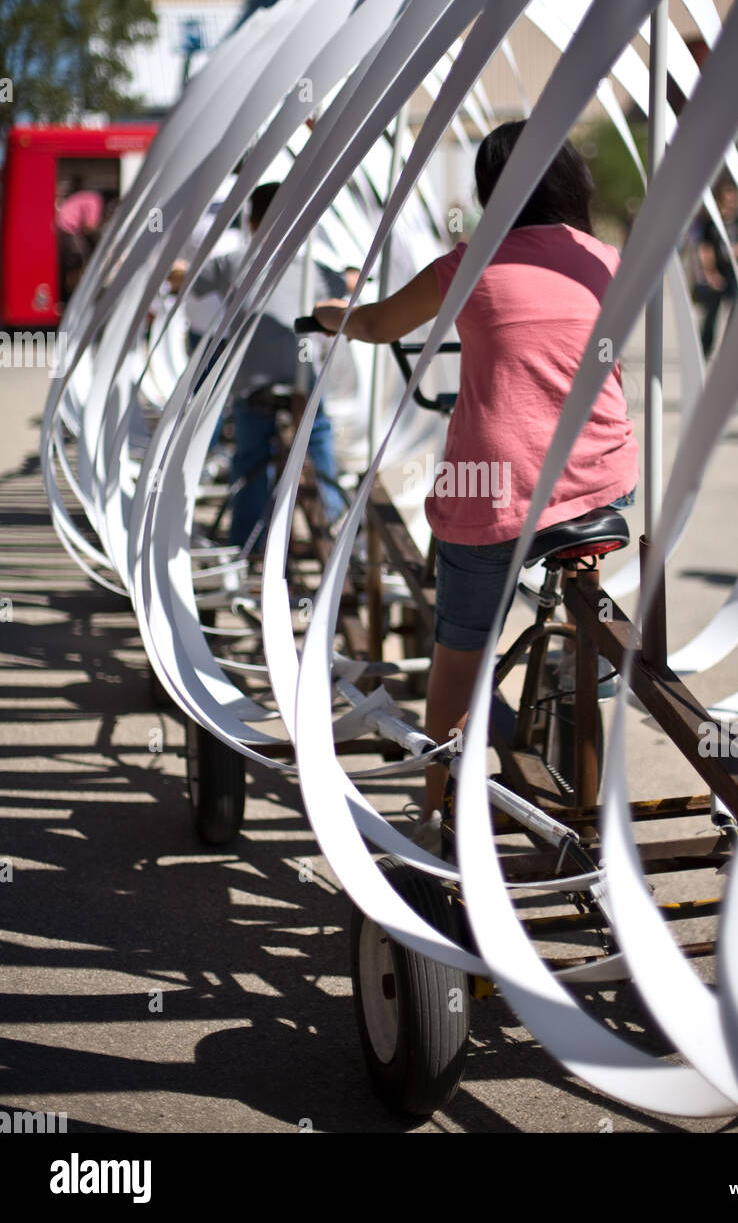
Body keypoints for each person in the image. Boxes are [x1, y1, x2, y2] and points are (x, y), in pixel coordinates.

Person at [313, 122, 639, 852]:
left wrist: (336, 316)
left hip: (494, 486)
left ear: (491, 190)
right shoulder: (609, 261)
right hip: (600, 482)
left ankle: (440, 814)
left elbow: (372, 323)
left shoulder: (469, 264)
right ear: (572, 185)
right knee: (580, 589)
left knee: (460, 657)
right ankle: (575, 655)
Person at [190, 182, 346, 548]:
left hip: (252, 381)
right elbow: (340, 286)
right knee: (318, 434)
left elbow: (194, 287)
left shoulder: (232, 262)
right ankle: (336, 521)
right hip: (301, 377)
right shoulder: (312, 268)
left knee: (249, 454)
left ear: (251, 221)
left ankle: (245, 541)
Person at [692, 182, 738, 358]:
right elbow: (705, 248)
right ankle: (704, 349)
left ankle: (730, 347)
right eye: (726, 200)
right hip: (716, 273)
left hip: (734, 273)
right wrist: (710, 273)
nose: (730, 204)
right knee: (711, 315)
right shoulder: (711, 223)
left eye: (732, 200)